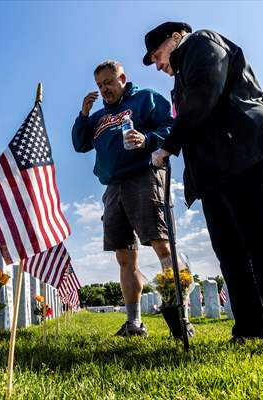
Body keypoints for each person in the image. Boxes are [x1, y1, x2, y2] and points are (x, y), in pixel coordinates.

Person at [143, 22, 263, 350]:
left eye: (157, 55)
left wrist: (168, 145)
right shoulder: (180, 77)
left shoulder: (201, 43)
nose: (158, 65)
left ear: (175, 38)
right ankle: (251, 326)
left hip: (246, 152)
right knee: (231, 254)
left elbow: (205, 91)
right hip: (216, 171)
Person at [72, 60, 175, 337]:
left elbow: (171, 124)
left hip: (143, 176)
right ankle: (134, 322)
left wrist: (148, 138)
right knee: (124, 256)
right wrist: (83, 114)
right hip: (113, 186)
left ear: (122, 78)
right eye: (99, 85)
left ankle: (180, 315)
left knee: (162, 246)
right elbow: (80, 144)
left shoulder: (145, 99)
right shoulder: (97, 118)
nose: (104, 88)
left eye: (108, 81)